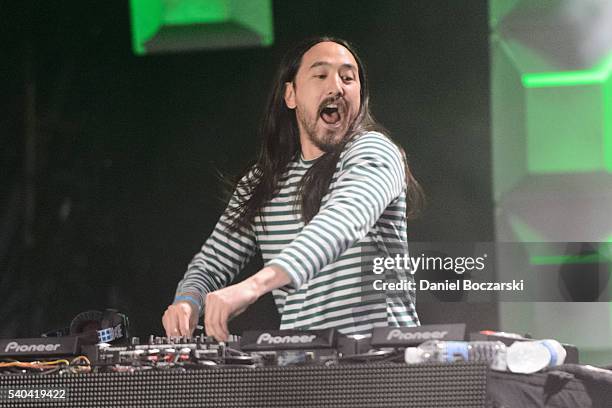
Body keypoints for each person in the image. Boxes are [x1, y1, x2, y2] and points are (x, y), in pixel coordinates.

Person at [162, 37, 423, 341]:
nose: (336, 87)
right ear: (291, 95)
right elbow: (211, 264)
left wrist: (254, 286)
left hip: (383, 365)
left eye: (348, 78)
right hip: (303, 371)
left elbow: (341, 222)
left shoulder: (374, 152)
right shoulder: (263, 181)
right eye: (321, 75)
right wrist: (188, 301)